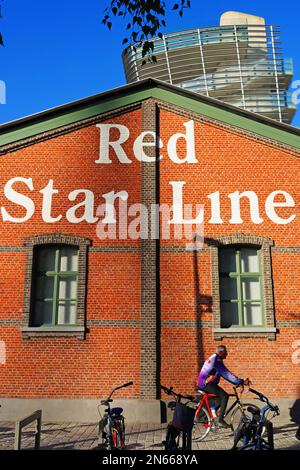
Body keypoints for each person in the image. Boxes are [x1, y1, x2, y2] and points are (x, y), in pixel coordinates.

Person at [198, 345, 251, 428]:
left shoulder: (215, 358)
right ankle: (220, 420)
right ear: (221, 352)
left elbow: (225, 374)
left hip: (205, 383)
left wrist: (238, 382)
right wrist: (241, 381)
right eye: (226, 352)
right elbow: (226, 374)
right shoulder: (217, 360)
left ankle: (207, 417)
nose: (227, 354)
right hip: (206, 384)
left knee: (219, 399)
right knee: (224, 396)